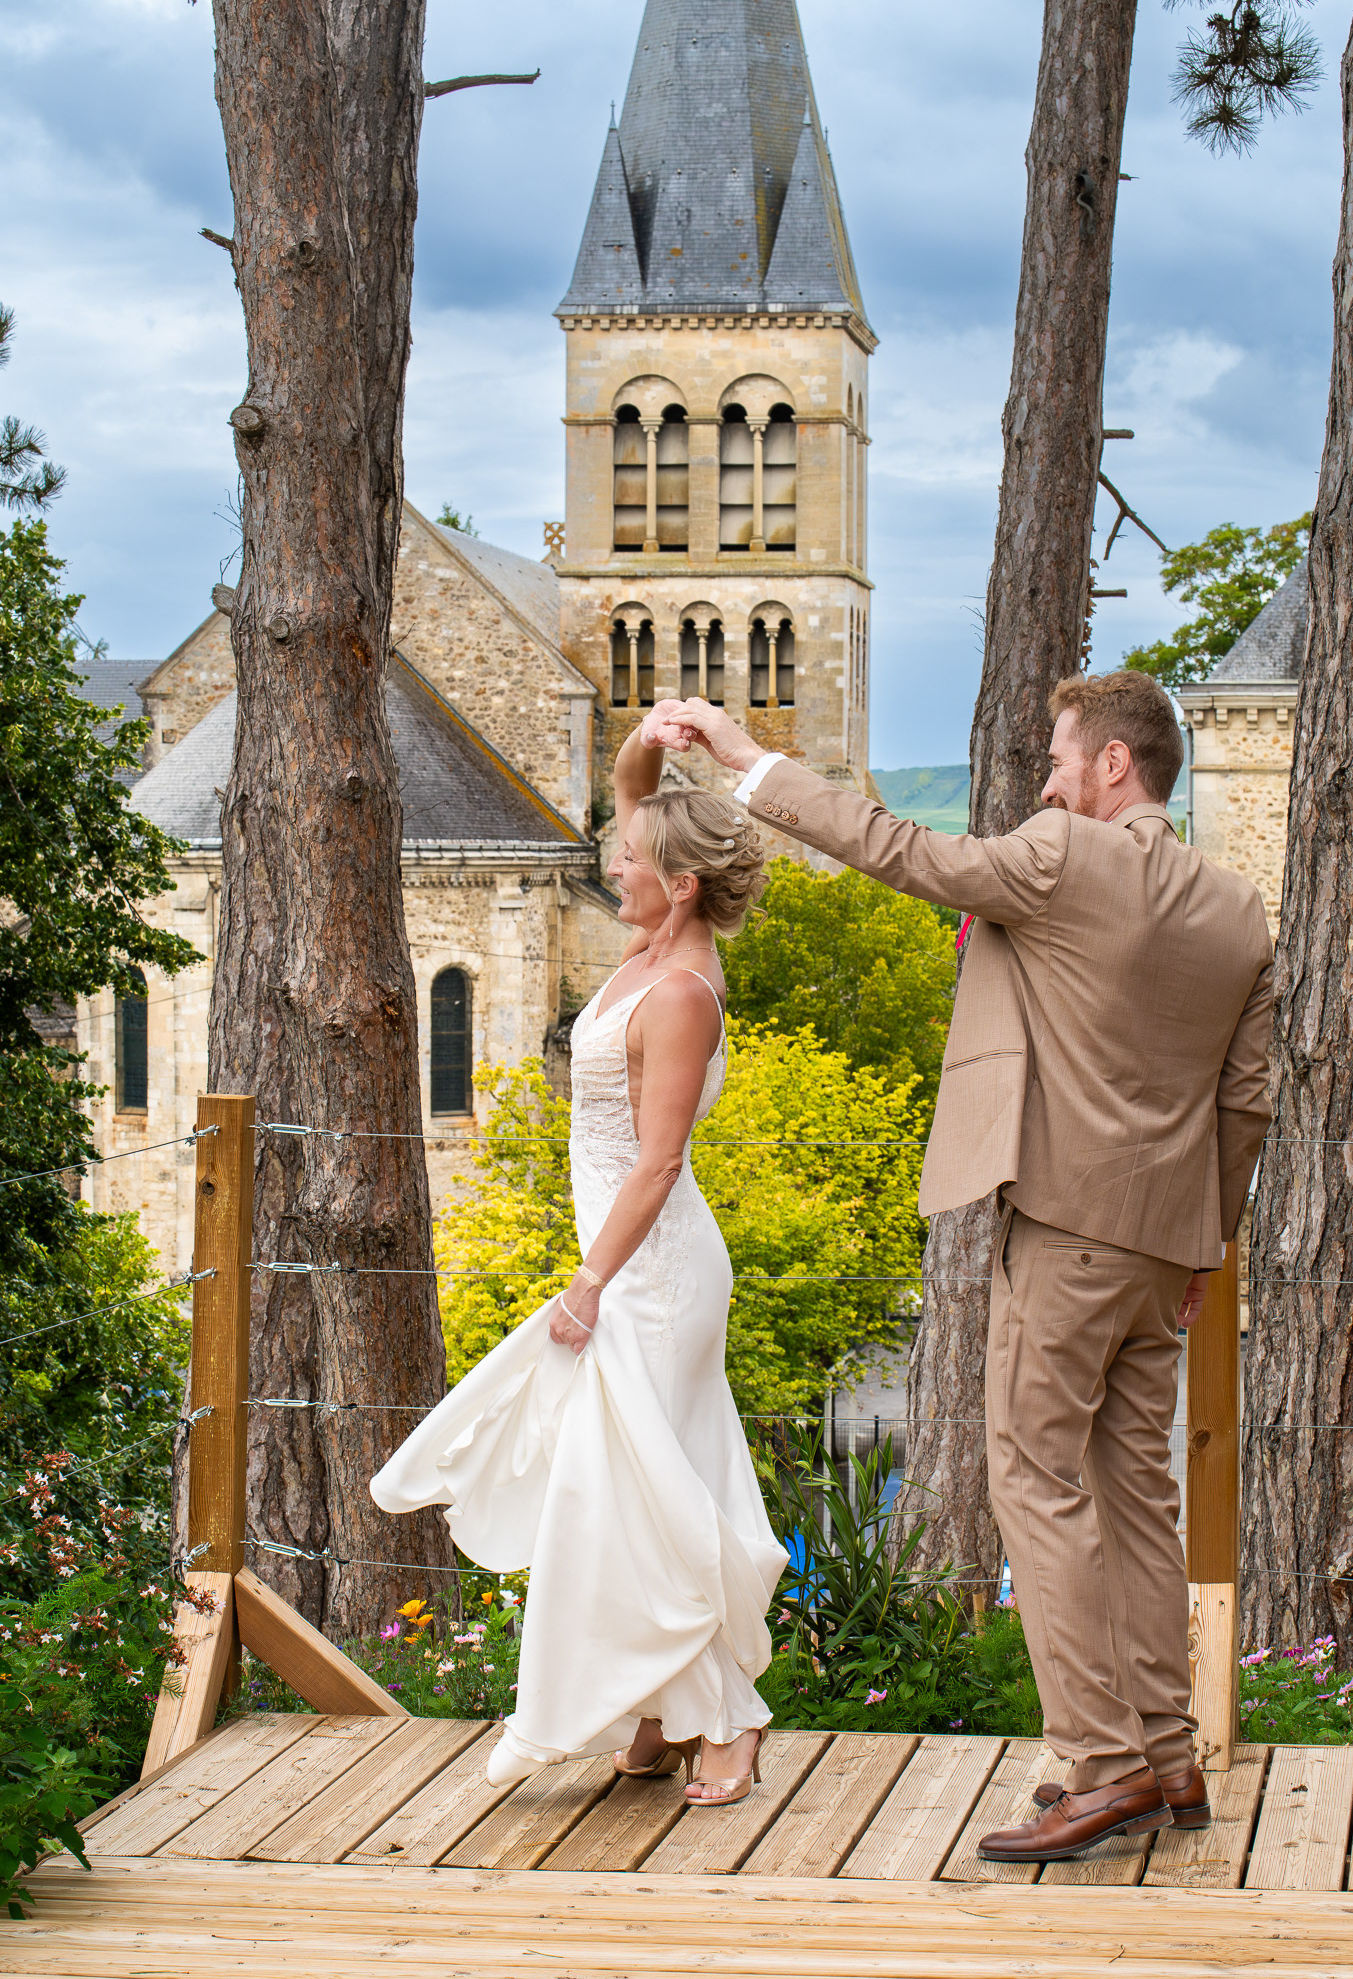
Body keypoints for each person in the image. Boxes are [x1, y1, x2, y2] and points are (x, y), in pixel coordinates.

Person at [671, 671, 1272, 1863]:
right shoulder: (1236, 906)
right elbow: (1244, 1099)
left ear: (1112, 764)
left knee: (1034, 1478)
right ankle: (1168, 1758)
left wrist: (745, 759)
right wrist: (1204, 1237)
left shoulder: (1064, 855)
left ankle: (1100, 1761)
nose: (1046, 781)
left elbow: (902, 851)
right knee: (1137, 1495)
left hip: (1065, 1229)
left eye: (1058, 757)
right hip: (1166, 1244)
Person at [371, 708, 785, 1807]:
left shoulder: (680, 990)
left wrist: (590, 1282)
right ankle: (656, 1711)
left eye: (630, 860)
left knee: (636, 1493)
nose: (611, 864)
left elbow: (658, 1162)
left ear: (680, 887)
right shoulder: (650, 946)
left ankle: (728, 1719)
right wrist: (654, 734)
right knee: (632, 1491)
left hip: (652, 1275)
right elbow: (634, 789)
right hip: (627, 1261)